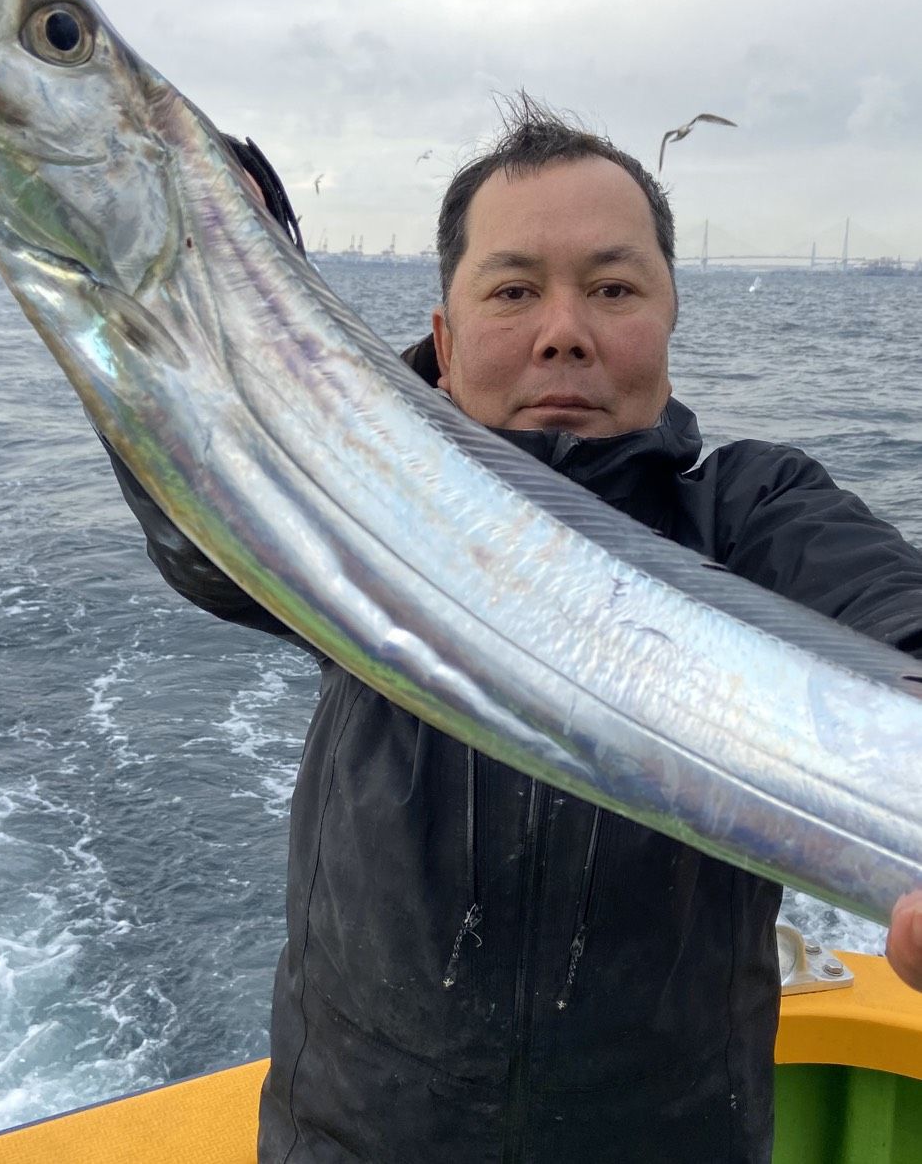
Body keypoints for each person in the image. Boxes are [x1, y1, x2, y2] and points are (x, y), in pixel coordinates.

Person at [104, 99, 922, 1163]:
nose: (563, 330)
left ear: (669, 321)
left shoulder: (752, 511)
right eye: (513, 290)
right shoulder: (365, 522)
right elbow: (207, 536)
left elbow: (892, 615)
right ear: (443, 343)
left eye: (613, 288)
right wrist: (204, 295)